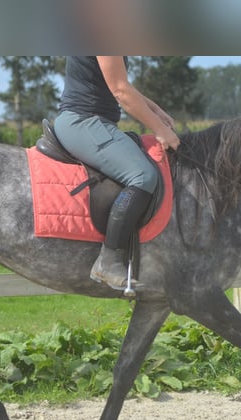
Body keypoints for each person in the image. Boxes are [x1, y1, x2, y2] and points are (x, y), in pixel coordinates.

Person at [54, 56, 180, 291]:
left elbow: (121, 84)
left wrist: (156, 110)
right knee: (143, 175)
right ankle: (108, 260)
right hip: (84, 122)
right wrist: (160, 130)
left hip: (95, 122)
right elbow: (120, 91)